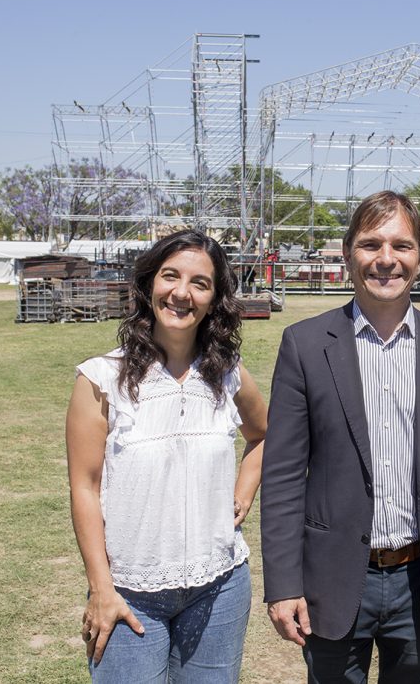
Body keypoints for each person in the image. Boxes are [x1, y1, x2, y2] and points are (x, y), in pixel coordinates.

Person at [261, 191, 420, 683]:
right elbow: (282, 476)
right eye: (370, 244)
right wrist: (283, 583)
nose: (386, 259)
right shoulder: (305, 346)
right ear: (348, 254)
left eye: (401, 245)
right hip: (333, 577)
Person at [66, 229, 267, 682]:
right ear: (148, 285)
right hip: (130, 593)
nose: (181, 293)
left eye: (200, 283)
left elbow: (265, 435)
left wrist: (245, 489)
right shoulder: (101, 379)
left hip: (220, 587)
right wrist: (101, 587)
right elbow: (85, 486)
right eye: (169, 276)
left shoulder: (229, 377)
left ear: (215, 298)